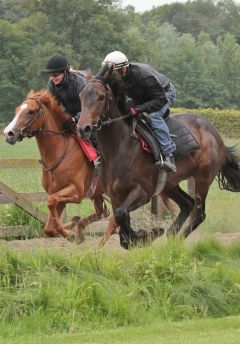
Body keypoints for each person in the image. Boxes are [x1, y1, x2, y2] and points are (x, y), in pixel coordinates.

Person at [101, 51, 177, 173]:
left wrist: (138, 109)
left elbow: (160, 99)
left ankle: (169, 156)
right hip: (143, 96)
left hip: (163, 93)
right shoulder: (118, 75)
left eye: (114, 72)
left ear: (124, 69)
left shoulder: (144, 74)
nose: (112, 76)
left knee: (154, 117)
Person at [43, 53, 86, 130]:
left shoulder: (79, 83)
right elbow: (53, 107)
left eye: (56, 75)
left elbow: (88, 108)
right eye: (50, 75)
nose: (53, 78)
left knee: (93, 138)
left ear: (65, 72)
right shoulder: (51, 84)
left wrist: (74, 119)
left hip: (87, 116)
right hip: (70, 117)